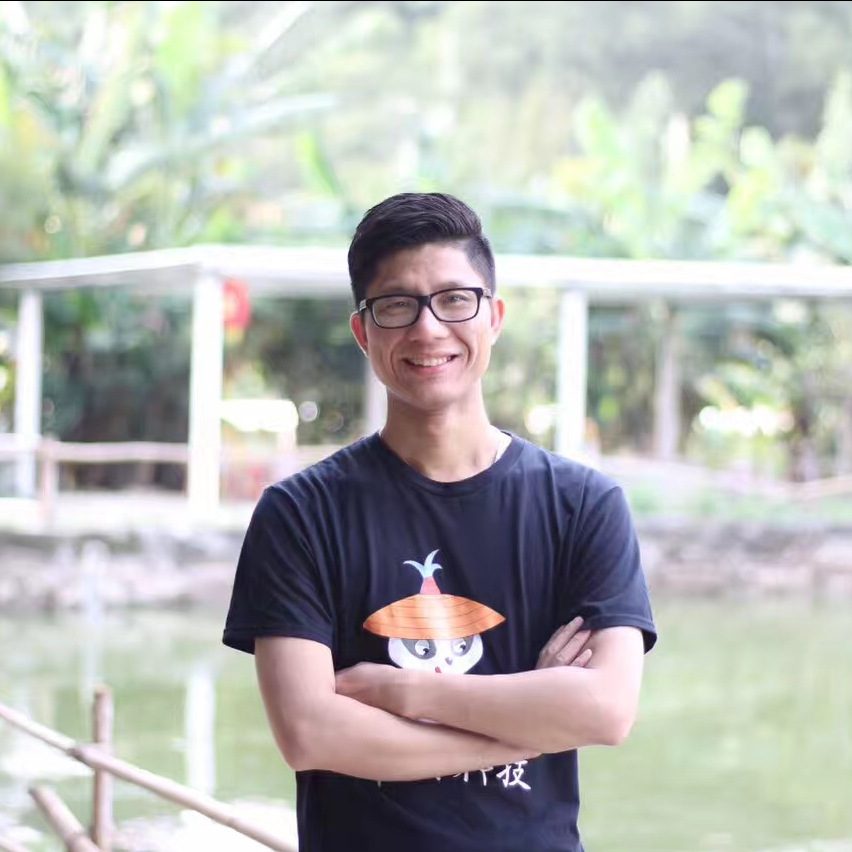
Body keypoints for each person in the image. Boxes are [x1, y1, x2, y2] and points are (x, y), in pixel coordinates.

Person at [222, 192, 657, 852]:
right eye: (398, 305)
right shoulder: (301, 515)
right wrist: (529, 725)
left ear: (494, 318)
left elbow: (606, 710)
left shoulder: (584, 506)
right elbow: (310, 733)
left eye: (456, 300)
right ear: (363, 331)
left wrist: (403, 691)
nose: (428, 329)